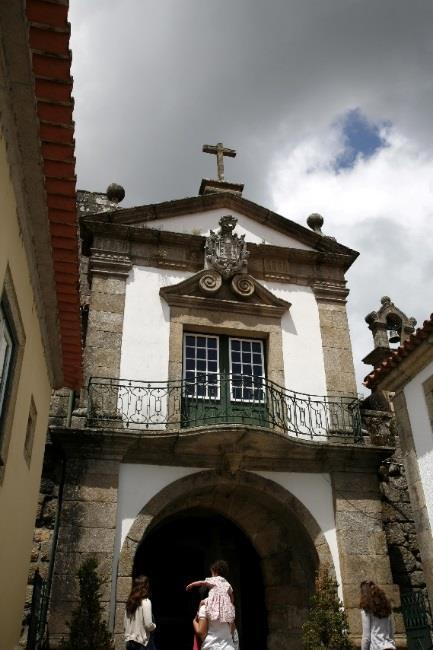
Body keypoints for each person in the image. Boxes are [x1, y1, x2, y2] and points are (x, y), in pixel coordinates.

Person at [360, 580, 396, 650]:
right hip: (390, 646)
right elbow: (391, 632)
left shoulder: (366, 610)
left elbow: (366, 637)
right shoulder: (386, 608)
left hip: (377, 647)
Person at [124, 575, 156, 650]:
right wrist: (154, 626)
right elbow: (148, 625)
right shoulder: (146, 601)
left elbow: (125, 623)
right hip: (143, 644)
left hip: (130, 643)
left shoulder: (130, 602)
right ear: (146, 586)